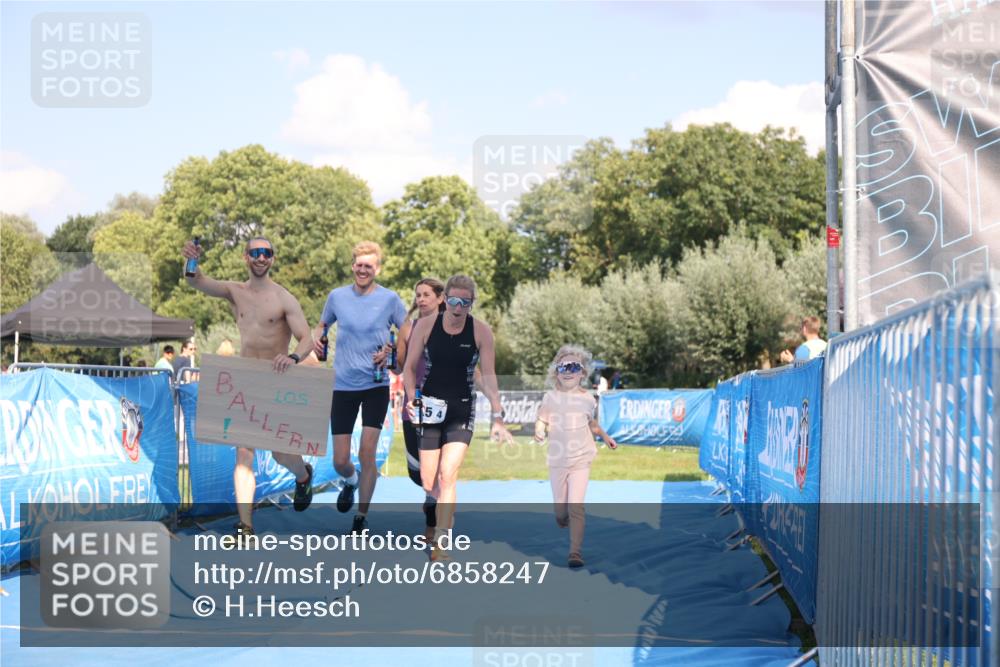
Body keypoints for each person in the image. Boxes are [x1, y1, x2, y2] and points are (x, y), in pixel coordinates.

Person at [182, 236, 316, 539]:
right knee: (244, 453)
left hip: (276, 380)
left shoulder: (284, 298)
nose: (261, 257)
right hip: (245, 381)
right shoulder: (235, 292)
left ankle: (303, 475)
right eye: (255, 252)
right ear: (246, 257)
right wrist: (191, 259)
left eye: (266, 252)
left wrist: (294, 357)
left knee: (282, 455)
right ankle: (246, 526)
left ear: (272, 258)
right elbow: (196, 281)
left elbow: (306, 338)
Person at [403, 274, 513, 560]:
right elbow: (409, 368)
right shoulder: (426, 326)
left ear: (471, 303)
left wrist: (497, 414)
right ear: (445, 300)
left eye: (465, 302)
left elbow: (488, 375)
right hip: (429, 406)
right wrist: (413, 397)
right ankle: (442, 512)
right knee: (429, 481)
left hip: (462, 408)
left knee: (447, 473)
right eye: (453, 300)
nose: (458, 307)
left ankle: (441, 539)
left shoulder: (481, 332)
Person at [313, 241, 407, 534]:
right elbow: (321, 326)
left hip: (375, 384)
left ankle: (361, 517)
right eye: (359, 264)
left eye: (369, 265)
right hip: (342, 385)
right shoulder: (337, 297)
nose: (363, 269)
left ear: (377, 268)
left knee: (367, 451)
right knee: (341, 460)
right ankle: (350, 481)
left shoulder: (390, 300)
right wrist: (318, 338)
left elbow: (408, 333)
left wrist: (391, 352)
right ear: (353, 266)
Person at [534, 345, 617, 569]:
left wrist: (606, 437)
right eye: (563, 367)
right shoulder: (550, 397)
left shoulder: (589, 399)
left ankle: (575, 552)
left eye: (573, 366)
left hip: (581, 458)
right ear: (556, 372)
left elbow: (592, 424)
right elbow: (542, 419)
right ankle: (563, 518)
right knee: (561, 513)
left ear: (582, 373)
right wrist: (539, 430)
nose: (568, 370)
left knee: (576, 507)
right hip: (558, 460)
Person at [394, 277, 446, 538]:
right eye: (418, 295)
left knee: (440, 469)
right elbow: (399, 366)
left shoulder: (454, 327)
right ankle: (430, 499)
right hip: (413, 407)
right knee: (418, 474)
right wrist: (387, 356)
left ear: (440, 298)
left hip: (444, 407)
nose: (421, 299)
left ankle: (434, 523)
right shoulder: (408, 327)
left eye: (427, 294)